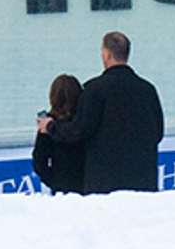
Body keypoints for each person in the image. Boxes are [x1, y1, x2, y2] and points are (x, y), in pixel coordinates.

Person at [38, 31, 164, 193]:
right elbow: (157, 133)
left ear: (107, 54)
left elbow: (79, 130)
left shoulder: (94, 90)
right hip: (143, 181)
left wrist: (51, 127)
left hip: (104, 184)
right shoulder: (148, 90)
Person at [31, 74, 87, 194]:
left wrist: (54, 181)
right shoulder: (84, 121)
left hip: (61, 186)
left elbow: (39, 161)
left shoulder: (48, 125)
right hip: (86, 183)